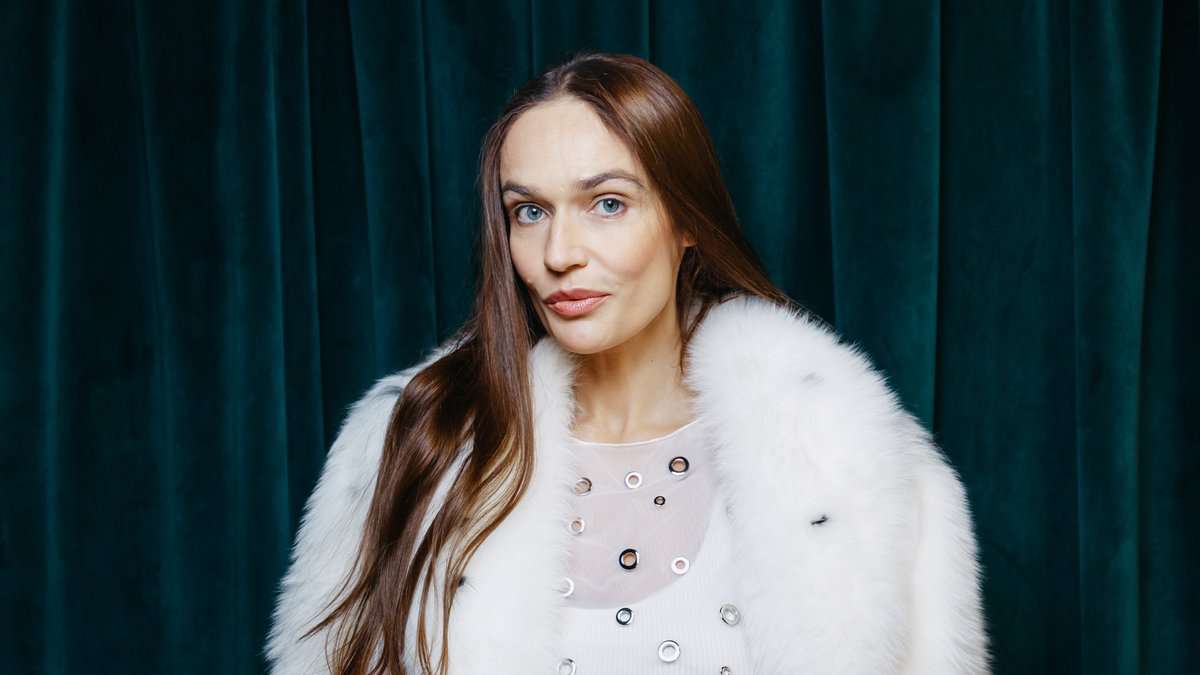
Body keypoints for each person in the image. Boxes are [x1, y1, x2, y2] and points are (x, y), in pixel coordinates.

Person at [264, 51, 990, 675]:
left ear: (686, 221)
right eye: (529, 211)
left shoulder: (856, 464)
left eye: (607, 204)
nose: (559, 254)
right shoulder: (419, 443)